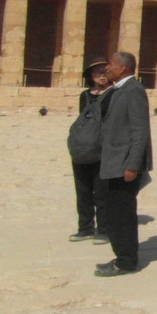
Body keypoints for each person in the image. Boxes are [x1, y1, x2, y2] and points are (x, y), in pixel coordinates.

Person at [95, 52, 154, 276]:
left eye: (111, 63)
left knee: (123, 213)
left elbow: (140, 131)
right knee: (114, 212)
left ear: (123, 68)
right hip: (114, 161)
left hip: (125, 163)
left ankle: (127, 261)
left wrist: (132, 164)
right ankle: (121, 254)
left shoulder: (134, 90)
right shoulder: (119, 89)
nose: (107, 67)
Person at [67, 58, 113, 244]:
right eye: (96, 72)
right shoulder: (85, 95)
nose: (101, 75)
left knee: (102, 191)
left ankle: (104, 229)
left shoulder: (114, 94)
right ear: (90, 76)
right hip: (83, 147)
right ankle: (85, 228)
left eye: (104, 71)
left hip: (103, 149)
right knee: (83, 190)